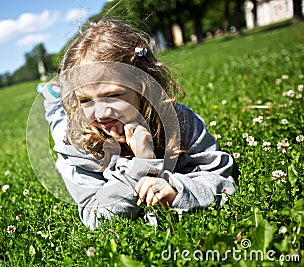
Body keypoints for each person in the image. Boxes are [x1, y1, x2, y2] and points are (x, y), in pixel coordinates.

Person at [39, 18, 236, 230]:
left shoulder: (181, 122)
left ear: (144, 87)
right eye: (86, 100)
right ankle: (53, 98)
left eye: (113, 95)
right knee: (60, 122)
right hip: (76, 129)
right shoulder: (79, 144)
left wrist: (177, 191)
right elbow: (94, 215)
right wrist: (142, 166)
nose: (101, 113)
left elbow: (221, 178)